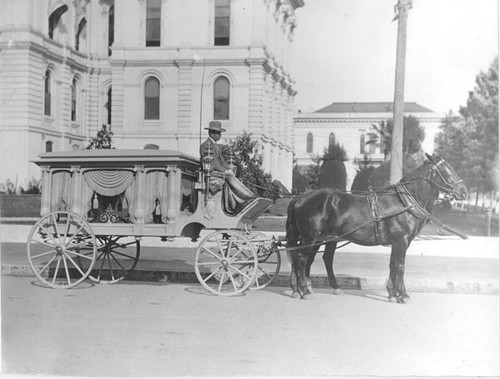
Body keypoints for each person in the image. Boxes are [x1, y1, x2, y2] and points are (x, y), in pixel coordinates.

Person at [200, 121, 256, 215]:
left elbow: (222, 161)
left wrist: (229, 169)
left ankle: (244, 198)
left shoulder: (214, 145)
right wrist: (226, 171)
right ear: (212, 133)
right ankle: (245, 197)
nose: (220, 135)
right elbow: (213, 162)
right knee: (230, 176)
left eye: (220, 133)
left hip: (216, 173)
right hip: (211, 174)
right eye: (218, 133)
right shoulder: (207, 145)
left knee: (232, 175)